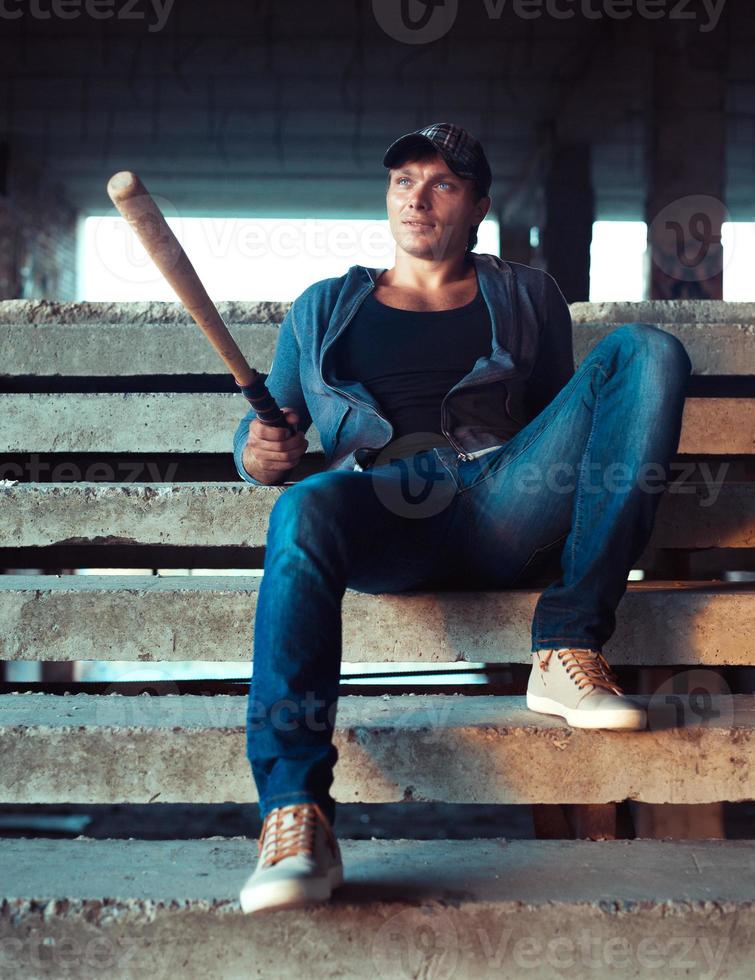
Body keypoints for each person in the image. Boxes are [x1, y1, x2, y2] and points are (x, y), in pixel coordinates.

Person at [233, 123, 692, 913]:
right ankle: (293, 812)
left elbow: (569, 424)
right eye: (403, 179)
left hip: (499, 499)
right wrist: (259, 450)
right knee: (303, 505)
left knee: (647, 350)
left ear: (477, 203)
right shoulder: (322, 307)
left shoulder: (526, 293)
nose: (417, 195)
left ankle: (566, 643)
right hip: (380, 509)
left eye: (441, 181)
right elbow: (266, 432)